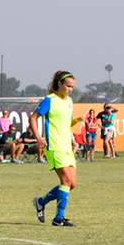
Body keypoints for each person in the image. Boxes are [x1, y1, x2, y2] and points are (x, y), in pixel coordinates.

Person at [30, 71, 78, 227]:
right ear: (59, 84)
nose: (70, 89)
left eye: (72, 87)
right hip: (54, 146)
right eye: (68, 86)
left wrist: (73, 135)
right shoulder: (49, 100)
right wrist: (39, 138)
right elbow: (33, 118)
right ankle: (59, 218)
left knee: (72, 183)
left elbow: (66, 124)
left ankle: (41, 202)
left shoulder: (69, 101)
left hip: (66, 146)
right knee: (65, 180)